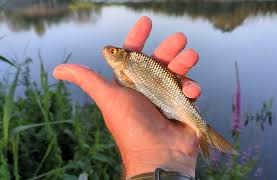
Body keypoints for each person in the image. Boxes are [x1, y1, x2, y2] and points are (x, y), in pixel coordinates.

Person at [54, 16, 202, 179]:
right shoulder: (123, 69)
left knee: (188, 91)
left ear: (123, 55)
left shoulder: (129, 62)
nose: (108, 52)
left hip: (172, 107)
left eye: (113, 52)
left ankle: (203, 130)